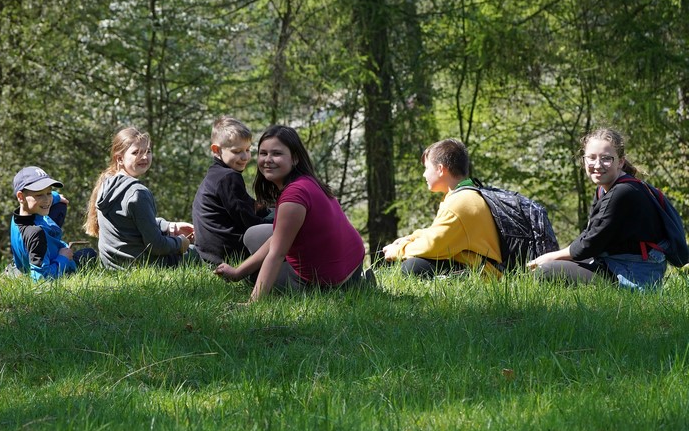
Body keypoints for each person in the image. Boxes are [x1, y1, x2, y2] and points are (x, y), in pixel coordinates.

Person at [214, 125, 370, 300]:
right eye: (263, 153)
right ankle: (358, 280)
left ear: (294, 158)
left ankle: (351, 287)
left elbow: (277, 253)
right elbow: (277, 238)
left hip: (330, 279)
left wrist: (254, 303)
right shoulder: (306, 181)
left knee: (256, 277)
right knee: (253, 235)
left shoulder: (293, 197)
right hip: (352, 263)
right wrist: (237, 273)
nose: (268, 159)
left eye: (277, 154)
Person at [527, 128, 669, 288]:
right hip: (615, 262)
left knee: (546, 271)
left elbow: (590, 244)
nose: (597, 165)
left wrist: (550, 256)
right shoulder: (604, 188)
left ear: (620, 162)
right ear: (584, 160)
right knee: (554, 264)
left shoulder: (623, 192)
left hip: (633, 275)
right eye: (591, 158)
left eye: (606, 158)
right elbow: (591, 234)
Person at [380, 138, 502, 277]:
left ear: (440, 169)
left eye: (426, 168)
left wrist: (398, 250)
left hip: (485, 275)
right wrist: (412, 238)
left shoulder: (459, 203)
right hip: (480, 266)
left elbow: (433, 245)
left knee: (412, 267)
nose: (424, 174)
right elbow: (439, 233)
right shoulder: (467, 194)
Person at [85, 126, 196, 270]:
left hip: (113, 267)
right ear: (119, 158)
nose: (144, 157)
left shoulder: (106, 184)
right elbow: (157, 246)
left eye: (147, 151)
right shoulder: (138, 192)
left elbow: (128, 223)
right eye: (136, 152)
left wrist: (168, 226)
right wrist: (180, 243)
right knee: (199, 253)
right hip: (143, 266)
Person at [191, 117, 271, 266]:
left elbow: (244, 204)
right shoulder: (229, 177)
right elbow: (245, 217)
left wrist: (264, 208)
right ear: (217, 150)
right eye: (237, 151)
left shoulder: (215, 174)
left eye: (248, 150)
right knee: (282, 230)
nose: (245, 157)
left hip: (210, 254)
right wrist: (271, 222)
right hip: (228, 254)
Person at [9, 166, 96, 281]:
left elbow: (50, 198)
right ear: (21, 196)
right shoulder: (36, 234)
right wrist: (63, 258)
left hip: (25, 263)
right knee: (90, 254)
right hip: (55, 262)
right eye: (39, 195)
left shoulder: (18, 216)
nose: (47, 199)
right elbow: (41, 280)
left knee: (60, 205)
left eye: (48, 193)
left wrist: (56, 197)